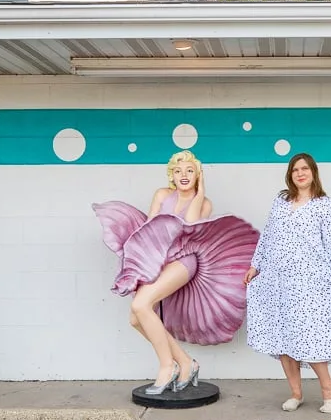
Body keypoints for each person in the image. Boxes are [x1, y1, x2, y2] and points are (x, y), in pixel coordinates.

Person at [93, 150, 260, 395]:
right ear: (171, 174)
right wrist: (144, 264)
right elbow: (149, 231)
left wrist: (200, 192)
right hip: (159, 260)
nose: (184, 175)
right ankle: (186, 362)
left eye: (190, 170)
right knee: (136, 318)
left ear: (198, 175)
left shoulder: (204, 202)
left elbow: (189, 226)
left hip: (186, 260)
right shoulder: (162, 194)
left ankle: (166, 366)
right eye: (178, 170)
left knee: (141, 305)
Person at [244, 153, 331, 414]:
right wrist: (255, 266)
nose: (300, 173)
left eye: (304, 168)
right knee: (283, 337)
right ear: (290, 174)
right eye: (295, 169)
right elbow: (267, 237)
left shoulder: (324, 204)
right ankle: (296, 393)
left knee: (309, 335)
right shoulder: (280, 201)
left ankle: (329, 391)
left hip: (309, 279)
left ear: (313, 172)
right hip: (277, 279)